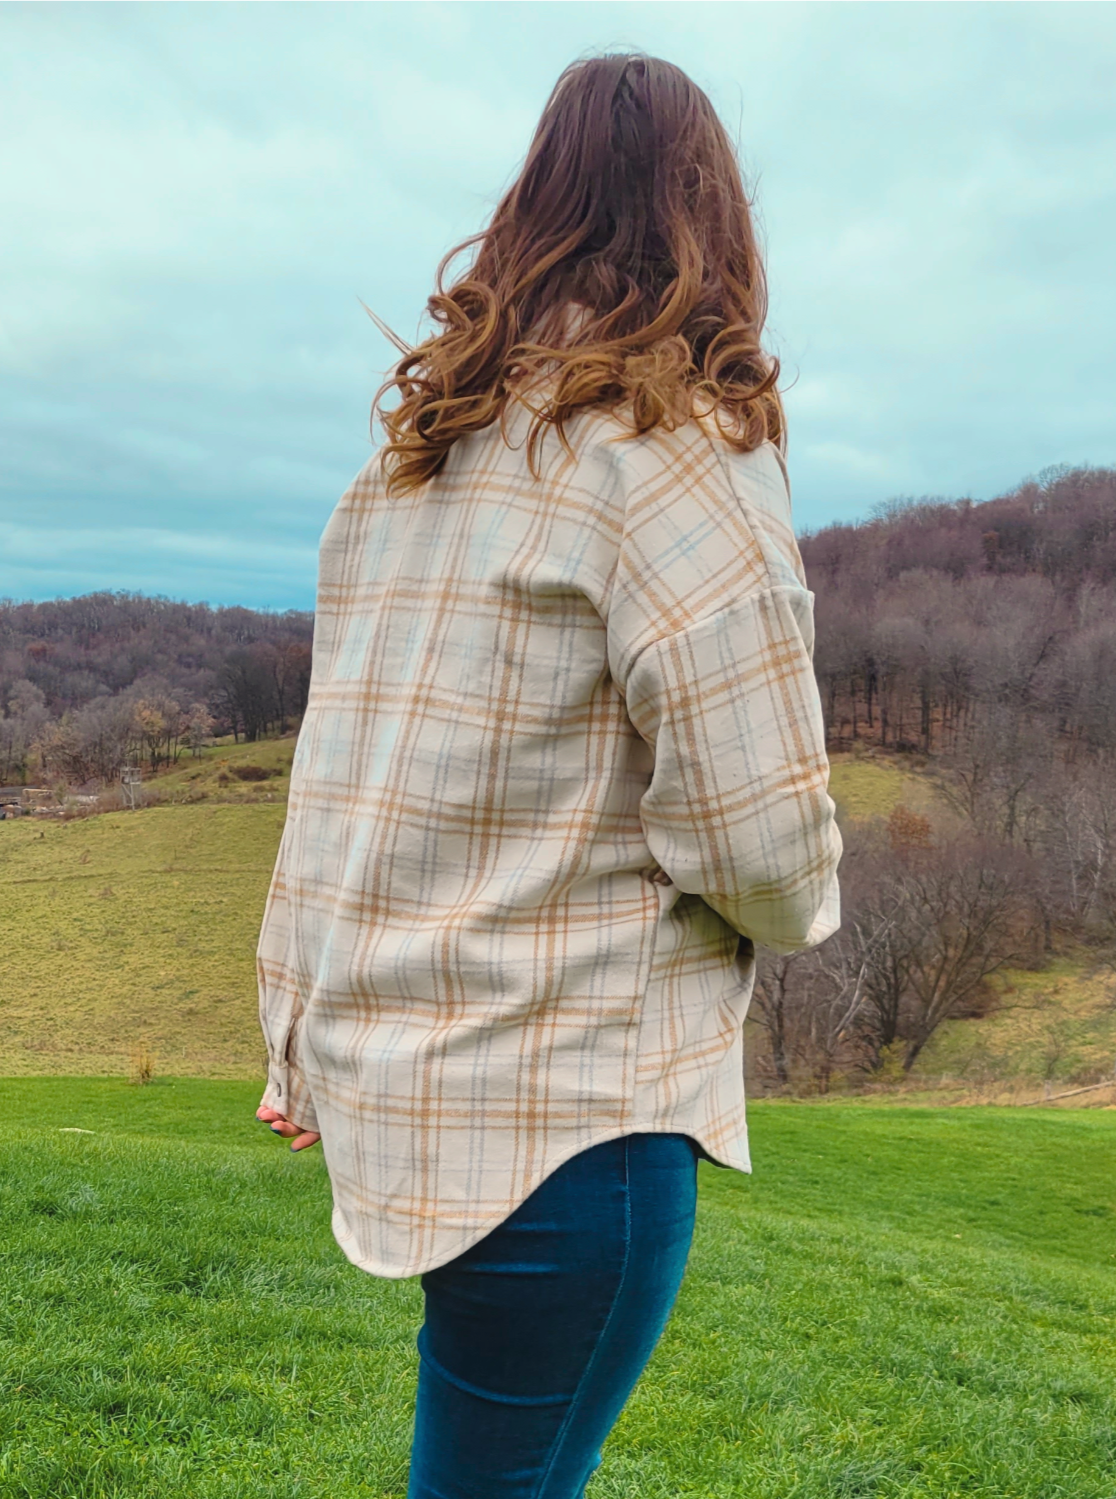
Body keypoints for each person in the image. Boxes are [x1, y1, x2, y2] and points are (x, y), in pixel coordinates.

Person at [256, 51, 842, 1499]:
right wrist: (798, 905)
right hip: (574, 1114)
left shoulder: (410, 458)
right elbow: (765, 843)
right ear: (715, 221)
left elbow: (336, 774)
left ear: (535, 206)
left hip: (402, 1069)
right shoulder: (672, 450)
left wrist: (297, 1019)